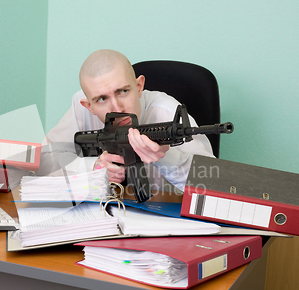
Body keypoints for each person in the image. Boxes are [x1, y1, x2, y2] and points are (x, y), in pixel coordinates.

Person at [40, 49, 214, 193]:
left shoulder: (167, 111)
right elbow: (43, 159)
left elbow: (216, 181)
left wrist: (166, 157)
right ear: (89, 106)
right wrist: (92, 167)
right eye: (102, 99)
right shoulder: (81, 108)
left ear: (139, 87)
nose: (117, 108)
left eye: (123, 91)